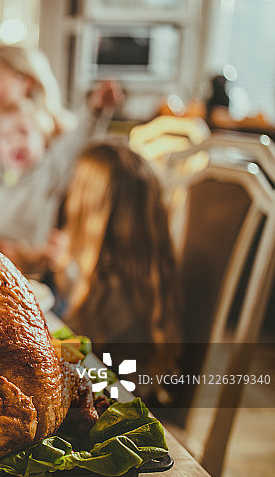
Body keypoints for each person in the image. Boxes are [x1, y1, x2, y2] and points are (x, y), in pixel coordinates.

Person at [0, 45, 121, 274]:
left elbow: (91, 225)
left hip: (46, 270)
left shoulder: (62, 144)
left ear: (26, 82)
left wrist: (96, 109)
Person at [53, 142, 181, 401]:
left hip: (115, 404)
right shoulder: (139, 274)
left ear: (89, 213)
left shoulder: (112, 292)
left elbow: (64, 351)